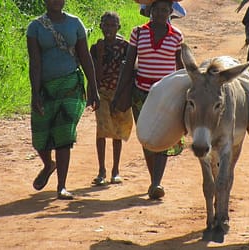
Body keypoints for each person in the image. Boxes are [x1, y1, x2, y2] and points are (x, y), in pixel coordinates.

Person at [27, 0, 99, 200]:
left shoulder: (75, 23)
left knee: (64, 136)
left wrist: (93, 88)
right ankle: (48, 164)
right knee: (40, 138)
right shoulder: (35, 27)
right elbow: (35, 62)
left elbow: (85, 57)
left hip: (71, 85)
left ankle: (62, 186)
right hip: (45, 88)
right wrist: (35, 93)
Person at [111, 0, 184, 200]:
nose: (161, 14)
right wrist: (118, 94)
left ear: (170, 12)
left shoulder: (177, 36)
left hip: (166, 95)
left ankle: (156, 182)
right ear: (150, 11)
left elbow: (180, 68)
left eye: (165, 10)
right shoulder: (138, 33)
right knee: (147, 137)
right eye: (157, 10)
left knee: (162, 137)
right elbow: (129, 65)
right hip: (140, 93)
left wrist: (184, 93)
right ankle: (155, 180)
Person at [90, 12, 133, 186]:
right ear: (100, 27)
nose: (109, 29)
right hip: (102, 93)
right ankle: (101, 171)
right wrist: (100, 54)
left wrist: (124, 96)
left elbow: (129, 72)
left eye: (112, 25)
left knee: (118, 131)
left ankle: (116, 170)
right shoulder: (95, 48)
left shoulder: (125, 47)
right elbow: (96, 76)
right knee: (101, 130)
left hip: (120, 93)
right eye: (105, 25)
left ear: (118, 27)